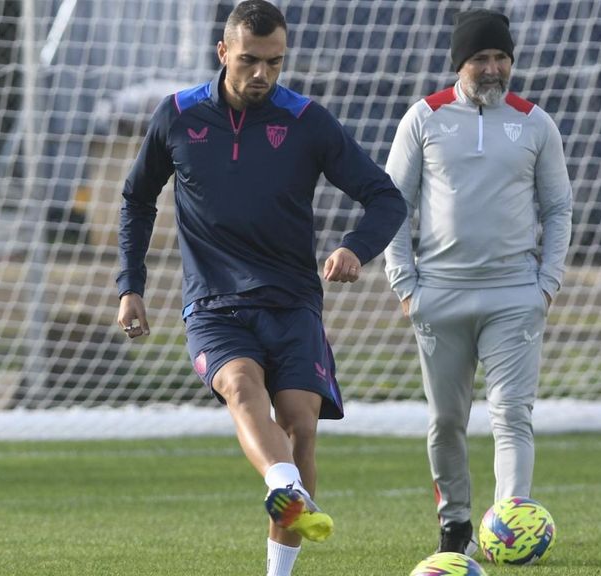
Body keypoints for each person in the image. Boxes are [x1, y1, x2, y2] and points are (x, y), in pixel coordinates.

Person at [115, 2, 406, 575]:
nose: (261, 75)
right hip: (214, 304)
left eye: (274, 62)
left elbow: (386, 196)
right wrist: (131, 285)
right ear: (223, 52)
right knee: (243, 387)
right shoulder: (176, 115)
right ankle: (283, 483)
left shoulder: (308, 121)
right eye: (249, 60)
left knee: (300, 424)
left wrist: (354, 248)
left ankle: (279, 561)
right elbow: (136, 199)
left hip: (293, 301)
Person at [383, 8, 572, 555]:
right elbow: (392, 205)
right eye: (481, 59)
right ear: (459, 63)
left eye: (501, 58)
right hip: (438, 294)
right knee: (446, 421)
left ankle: (513, 531)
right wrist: (406, 286)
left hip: (516, 294)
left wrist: (546, 284)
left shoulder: (536, 122)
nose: (492, 69)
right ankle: (456, 527)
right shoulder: (423, 117)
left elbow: (558, 208)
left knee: (512, 414)